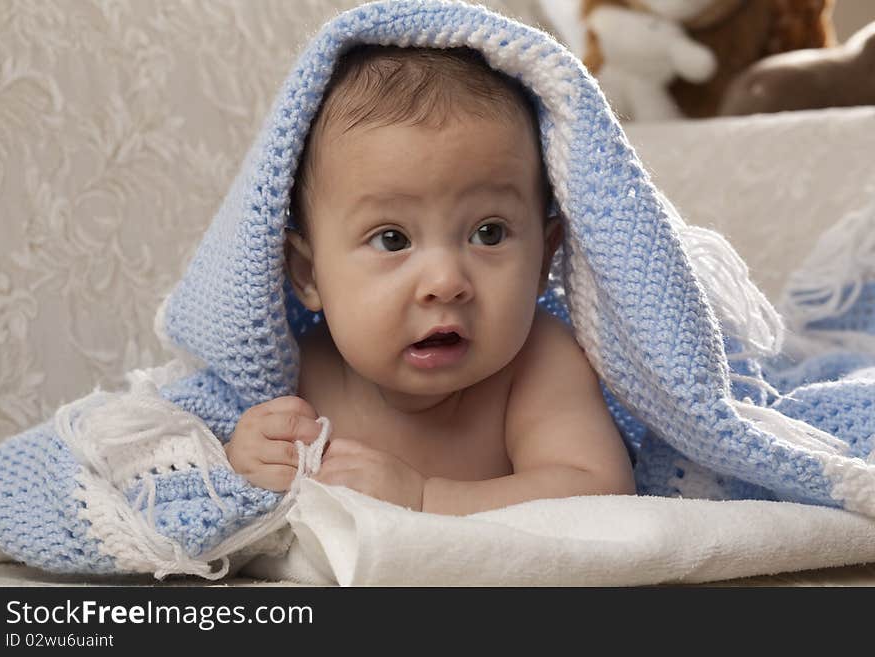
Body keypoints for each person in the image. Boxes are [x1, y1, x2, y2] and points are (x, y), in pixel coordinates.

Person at [225, 45, 635, 515]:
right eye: (393, 240)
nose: (445, 281)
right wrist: (246, 459)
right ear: (308, 274)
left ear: (544, 257)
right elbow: (197, 479)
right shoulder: (294, 373)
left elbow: (602, 493)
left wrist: (425, 498)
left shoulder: (537, 362)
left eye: (489, 233)